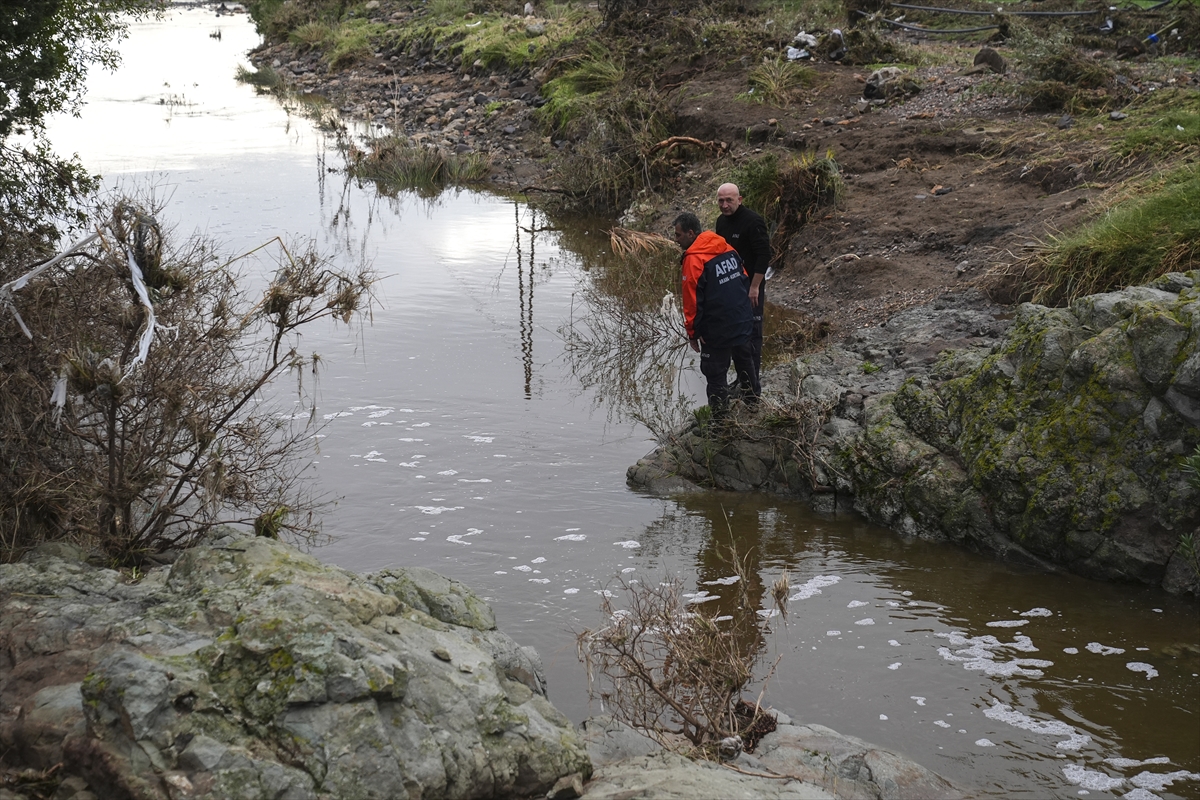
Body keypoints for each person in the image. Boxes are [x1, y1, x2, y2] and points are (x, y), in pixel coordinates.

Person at [672, 212, 760, 418]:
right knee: (745, 360)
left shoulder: (694, 259)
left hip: (716, 327)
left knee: (715, 373)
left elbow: (692, 301)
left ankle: (721, 422)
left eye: (678, 235)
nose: (675, 240)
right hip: (741, 318)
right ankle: (754, 404)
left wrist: (693, 333)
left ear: (691, 233)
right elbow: (743, 279)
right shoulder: (726, 247)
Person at [714, 182, 771, 386]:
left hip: (752, 285)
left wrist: (755, 287)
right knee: (736, 332)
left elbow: (764, 256)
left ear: (739, 200)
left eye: (729, 200)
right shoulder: (721, 222)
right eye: (721, 201)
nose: (725, 205)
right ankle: (742, 378)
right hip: (731, 286)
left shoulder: (753, 221)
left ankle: (753, 381)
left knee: (753, 333)